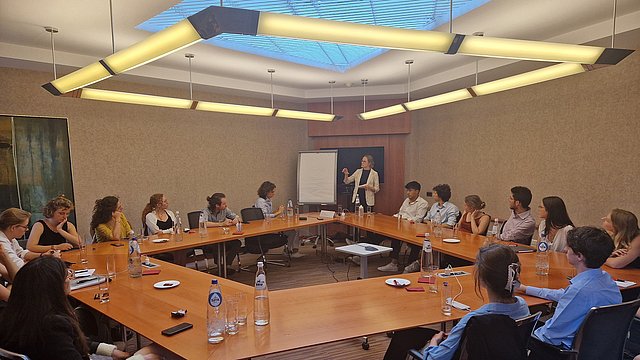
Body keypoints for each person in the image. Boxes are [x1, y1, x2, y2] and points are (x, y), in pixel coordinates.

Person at [384, 244, 530, 360]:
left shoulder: (474, 320)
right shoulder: (523, 306)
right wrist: (457, 334)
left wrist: (434, 342)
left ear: (482, 280)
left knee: (404, 336)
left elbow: (433, 358)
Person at [0, 256, 161, 360]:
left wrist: (109, 351)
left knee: (152, 351)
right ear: (54, 286)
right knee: (154, 354)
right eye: (67, 275)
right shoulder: (52, 325)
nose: (69, 278)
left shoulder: (17, 315)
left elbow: (69, 343)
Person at [519, 226, 621, 357]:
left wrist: (523, 333)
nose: (565, 249)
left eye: (569, 248)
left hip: (559, 351)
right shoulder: (606, 280)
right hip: (598, 349)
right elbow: (564, 294)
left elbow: (549, 336)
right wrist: (525, 288)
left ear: (579, 256)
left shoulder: (579, 291)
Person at [378, 181, 429, 273]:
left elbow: (417, 219)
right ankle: (393, 263)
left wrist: (403, 218)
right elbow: (400, 213)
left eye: (410, 190)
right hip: (402, 226)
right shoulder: (406, 200)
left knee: (414, 244)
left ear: (417, 191)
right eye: (407, 191)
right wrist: (395, 217)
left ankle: (410, 264)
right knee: (389, 234)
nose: (408, 193)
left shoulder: (423, 203)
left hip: (414, 230)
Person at [255, 181, 304, 258]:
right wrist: (278, 212)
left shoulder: (268, 200)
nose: (274, 193)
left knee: (293, 231)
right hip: (264, 228)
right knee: (292, 232)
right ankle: (288, 251)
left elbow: (269, 214)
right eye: (272, 191)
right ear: (266, 192)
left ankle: (290, 250)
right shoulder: (261, 201)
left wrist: (276, 211)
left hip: (269, 224)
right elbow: (264, 216)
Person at [201, 193, 242, 274]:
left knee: (237, 243)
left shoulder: (225, 210)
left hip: (223, 237)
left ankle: (226, 264)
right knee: (217, 245)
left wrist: (235, 220)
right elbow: (203, 224)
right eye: (224, 204)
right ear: (217, 205)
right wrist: (221, 224)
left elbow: (237, 217)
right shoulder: (205, 211)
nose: (226, 205)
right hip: (210, 240)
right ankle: (219, 266)